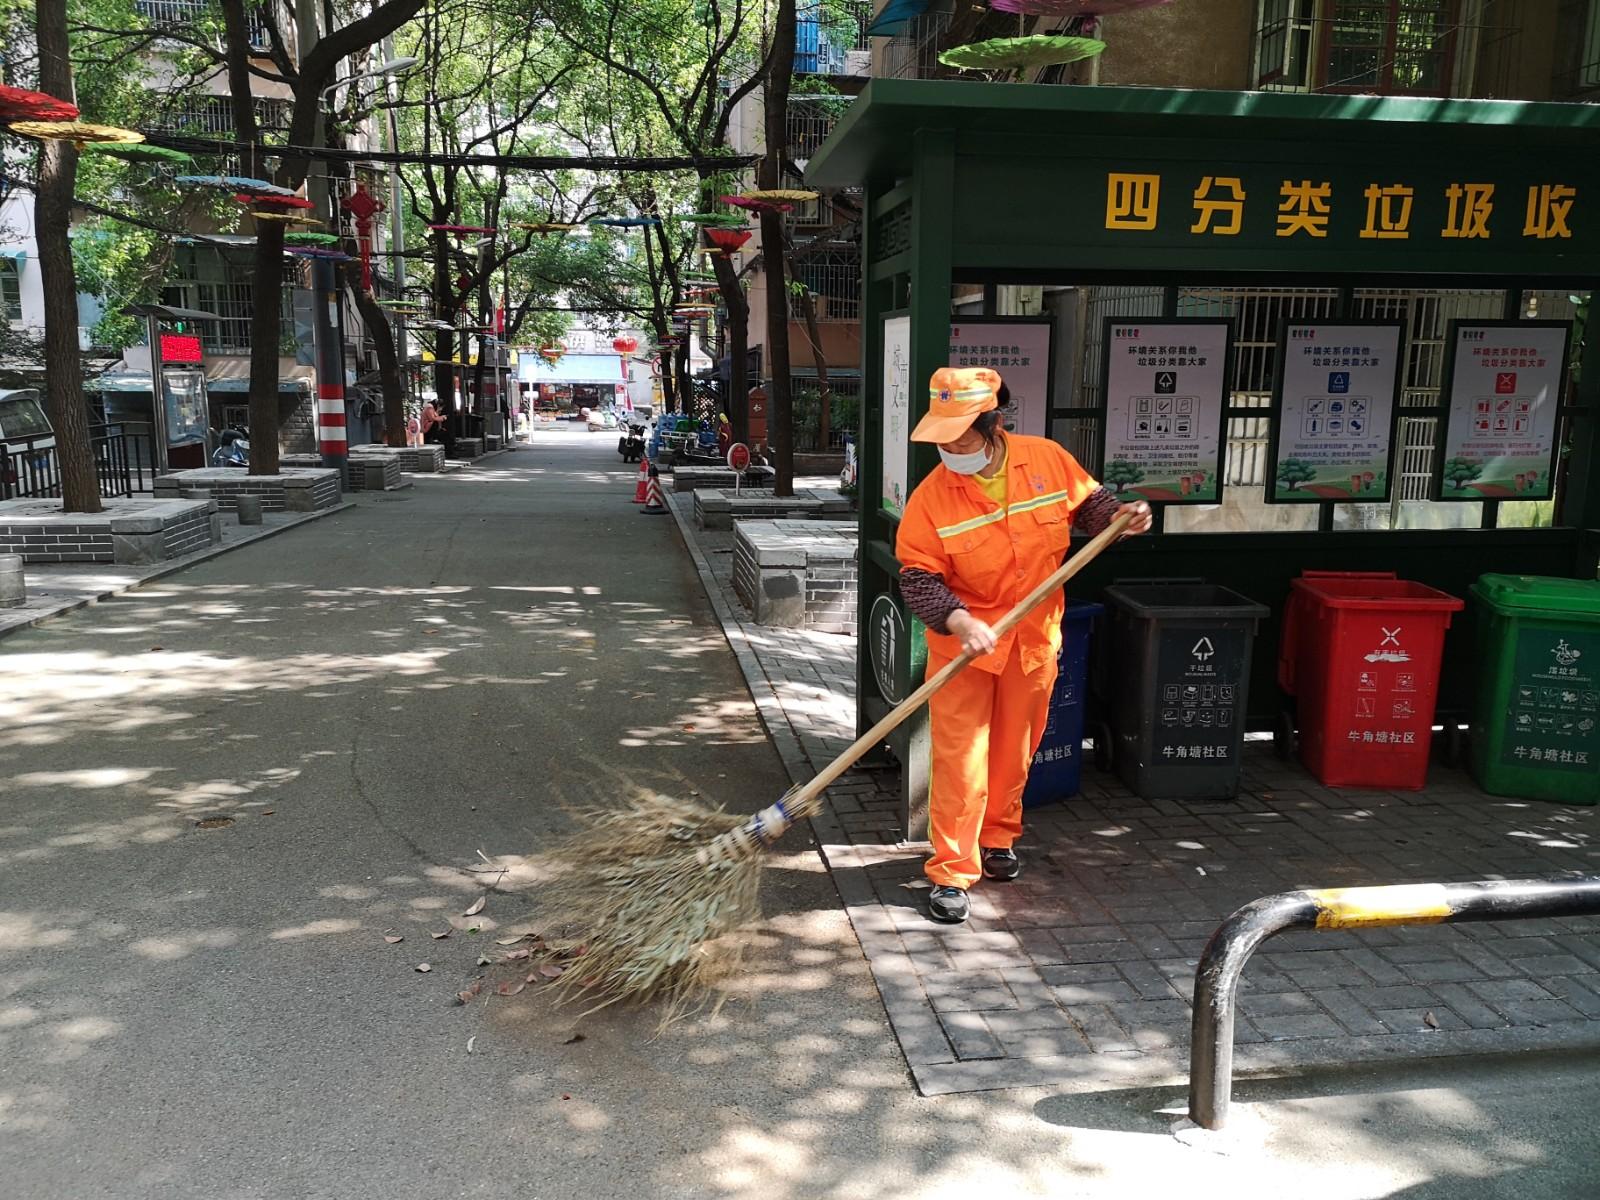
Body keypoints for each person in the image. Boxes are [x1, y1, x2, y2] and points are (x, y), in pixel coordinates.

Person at [895, 366, 1153, 924]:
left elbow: (1093, 509)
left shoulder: (1047, 459)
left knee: (1015, 750)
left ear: (993, 424)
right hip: (964, 649)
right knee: (960, 761)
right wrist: (959, 621)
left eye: (960, 437)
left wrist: (1124, 518)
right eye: (942, 438)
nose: (950, 449)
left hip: (1033, 639)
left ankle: (998, 838)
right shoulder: (931, 498)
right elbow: (918, 577)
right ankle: (951, 871)